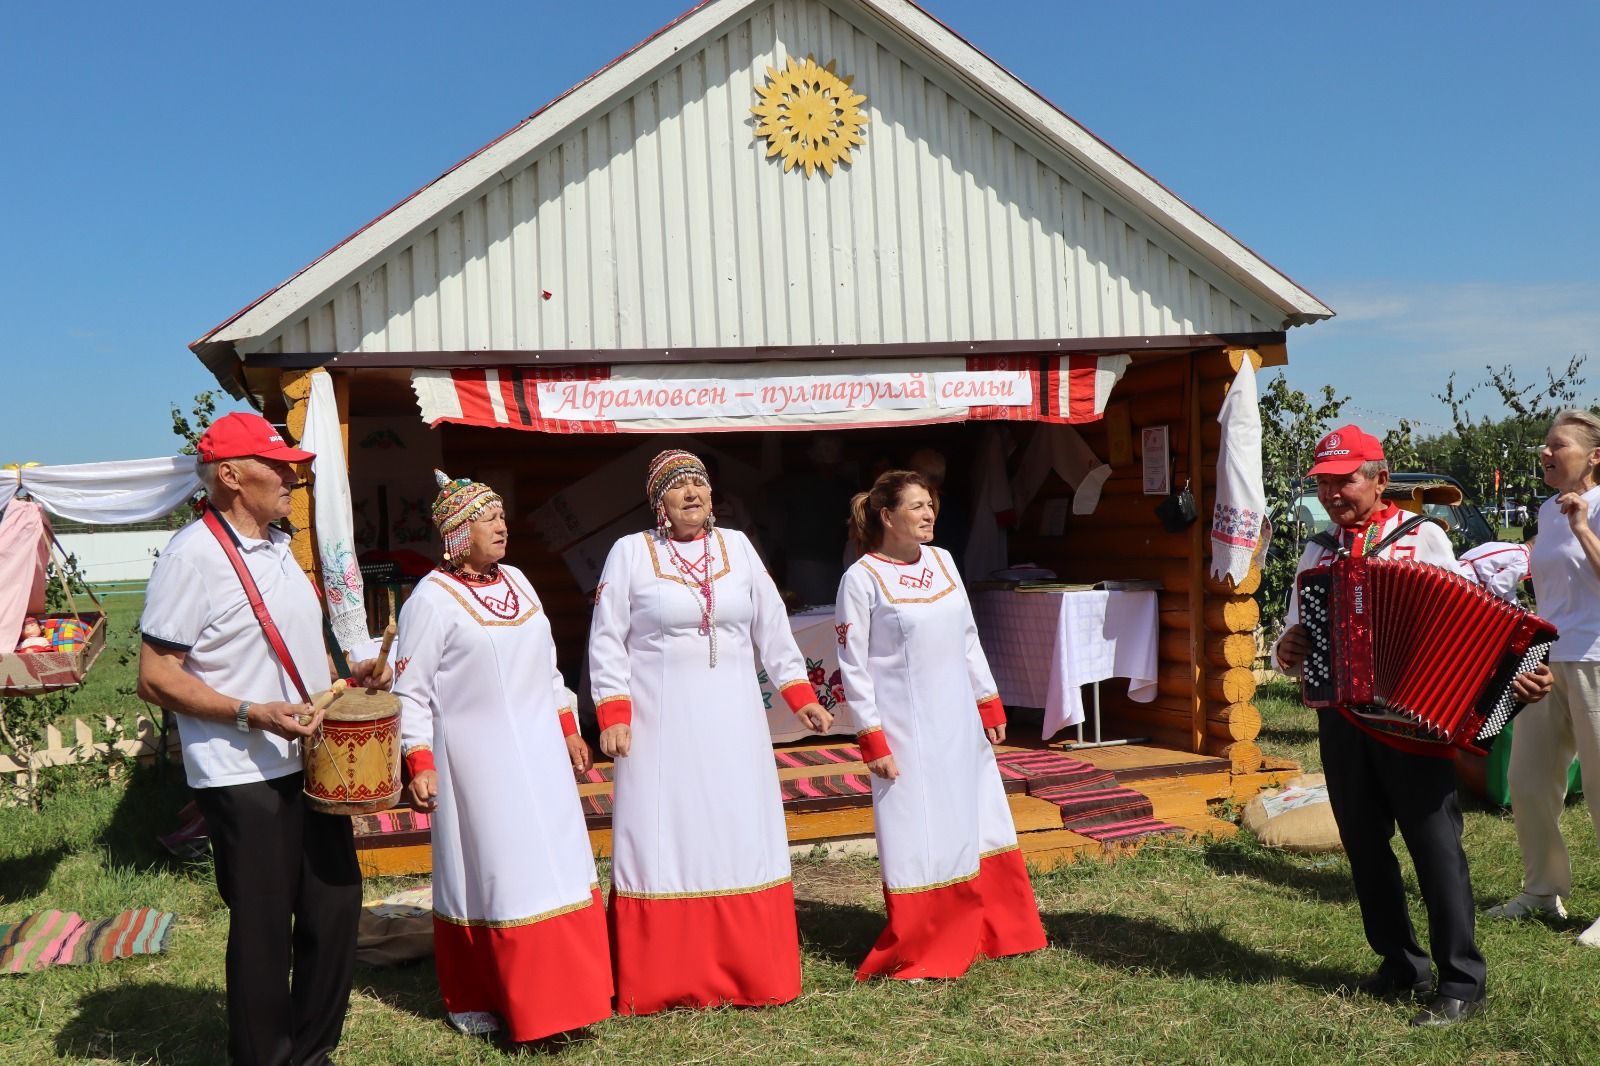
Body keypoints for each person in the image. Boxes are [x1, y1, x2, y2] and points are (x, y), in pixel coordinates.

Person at [1274, 425, 1551, 1028]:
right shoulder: (1318, 550)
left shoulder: (1421, 536)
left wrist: (1510, 679)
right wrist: (1288, 646)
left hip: (1413, 723)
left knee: (1435, 849)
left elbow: (1471, 621)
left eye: (1344, 479)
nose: (1332, 493)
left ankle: (1461, 981)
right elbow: (1293, 630)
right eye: (1323, 482)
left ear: (1379, 477)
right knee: (1365, 849)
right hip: (1342, 720)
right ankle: (1402, 964)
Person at [136, 412, 391, 1066]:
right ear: (229, 475)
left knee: (335, 907)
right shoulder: (193, 555)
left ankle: (313, 1052)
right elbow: (156, 676)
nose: (291, 474)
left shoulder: (282, 548)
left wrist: (343, 676)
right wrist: (253, 712)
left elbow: (287, 653)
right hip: (240, 767)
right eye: (276, 465)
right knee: (263, 927)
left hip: (306, 760)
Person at [587, 449, 834, 1014]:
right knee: (667, 829)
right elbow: (607, 639)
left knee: (735, 823)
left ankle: (751, 970)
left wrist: (800, 697)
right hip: (660, 724)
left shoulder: (739, 548)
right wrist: (615, 715)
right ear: (659, 502)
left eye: (698, 483)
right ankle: (663, 977)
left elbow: (772, 627)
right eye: (677, 487)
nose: (692, 494)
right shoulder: (631, 553)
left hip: (735, 722)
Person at [394, 470, 612, 1042]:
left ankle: (573, 996)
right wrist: (419, 761)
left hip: (540, 752)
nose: (501, 524)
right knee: (498, 872)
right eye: (489, 517)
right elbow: (410, 691)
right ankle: (494, 997)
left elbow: (547, 664)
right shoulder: (430, 601)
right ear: (458, 532)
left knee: (557, 864)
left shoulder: (518, 580)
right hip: (476, 761)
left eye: (500, 515)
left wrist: (568, 725)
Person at [834, 469, 1047, 980]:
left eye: (931, 504)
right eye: (916, 506)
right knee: (920, 831)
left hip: (959, 725)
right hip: (906, 734)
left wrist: (988, 702)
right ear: (887, 516)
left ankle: (995, 928)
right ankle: (930, 941)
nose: (929, 514)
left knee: (978, 820)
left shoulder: (944, 560)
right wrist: (872, 738)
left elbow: (968, 636)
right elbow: (853, 666)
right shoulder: (860, 579)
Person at [1489, 410, 1600, 944]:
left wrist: (1582, 526)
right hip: (1546, 658)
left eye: (1558, 445)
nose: (1546, 454)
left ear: (1594, 456)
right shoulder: (1545, 511)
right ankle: (1541, 890)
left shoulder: (1592, 509)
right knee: (1527, 779)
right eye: (1544, 446)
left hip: (1597, 659)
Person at [1457, 530, 1533, 604]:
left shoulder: (1509, 546)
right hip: (1467, 582)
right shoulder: (1525, 559)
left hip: (1456, 570)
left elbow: (1508, 588)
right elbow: (1496, 587)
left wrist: (1516, 605)